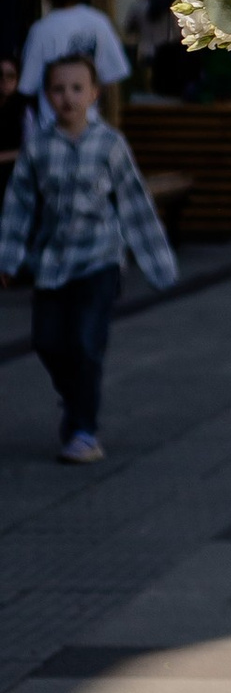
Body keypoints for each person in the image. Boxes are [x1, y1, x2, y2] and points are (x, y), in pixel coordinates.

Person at [0, 52, 178, 460]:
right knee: (47, 341)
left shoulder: (110, 144)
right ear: (47, 95)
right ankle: (74, 394)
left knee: (85, 343)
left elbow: (135, 204)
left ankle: (82, 430)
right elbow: (19, 203)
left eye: (77, 88)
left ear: (94, 93)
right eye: (59, 89)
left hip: (100, 259)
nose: (68, 97)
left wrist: (158, 265)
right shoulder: (39, 148)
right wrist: (8, 257)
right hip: (51, 263)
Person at [18, 0, 130, 137]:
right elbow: (112, 81)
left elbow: (27, 86)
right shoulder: (98, 22)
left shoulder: (41, 29)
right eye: (59, 89)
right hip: (89, 124)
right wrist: (113, 125)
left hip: (49, 125)